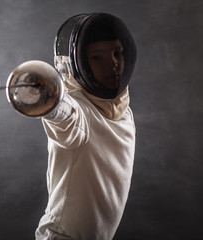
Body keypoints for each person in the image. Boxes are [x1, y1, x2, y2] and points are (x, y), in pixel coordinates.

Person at [35, 13, 137, 240]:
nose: (112, 63)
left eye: (117, 53)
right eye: (97, 57)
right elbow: (67, 117)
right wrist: (49, 100)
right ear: (76, 64)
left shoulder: (123, 111)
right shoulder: (80, 109)